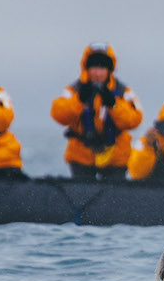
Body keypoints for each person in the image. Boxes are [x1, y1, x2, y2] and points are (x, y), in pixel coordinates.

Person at [51, 43, 143, 181]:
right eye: (94, 67)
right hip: (81, 155)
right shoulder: (74, 90)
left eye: (102, 67)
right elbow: (58, 114)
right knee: (81, 195)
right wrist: (80, 100)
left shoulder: (123, 92)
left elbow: (135, 120)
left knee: (115, 197)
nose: (98, 73)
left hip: (115, 156)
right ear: (86, 68)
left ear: (109, 69)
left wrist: (113, 104)